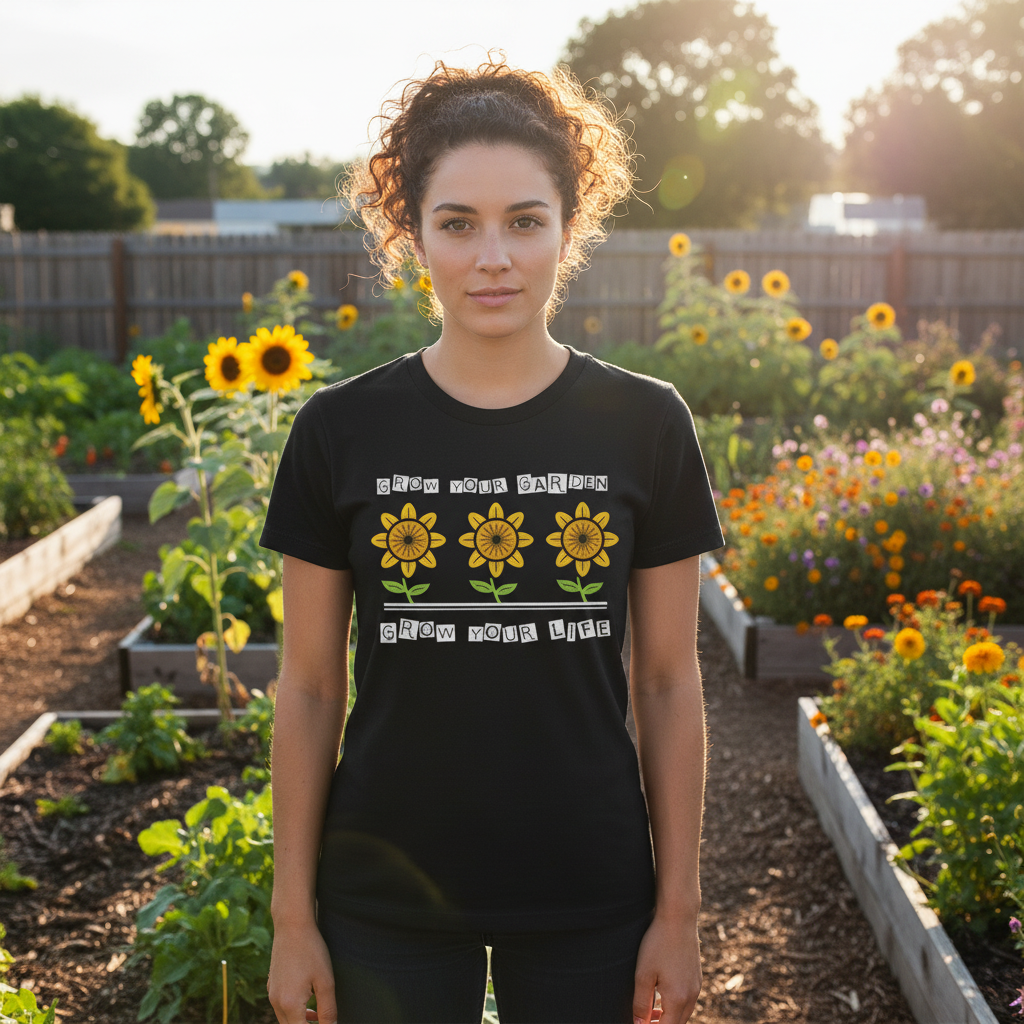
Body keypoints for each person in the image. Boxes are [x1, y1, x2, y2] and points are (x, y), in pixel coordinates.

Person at [261, 56, 724, 1024]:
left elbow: (670, 682)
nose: (493, 257)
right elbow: (307, 686)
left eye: (524, 220)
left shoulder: (646, 423)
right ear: (412, 234)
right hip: (382, 891)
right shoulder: (339, 431)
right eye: (456, 224)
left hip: (589, 891)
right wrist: (292, 918)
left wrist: (677, 913)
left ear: (569, 229)